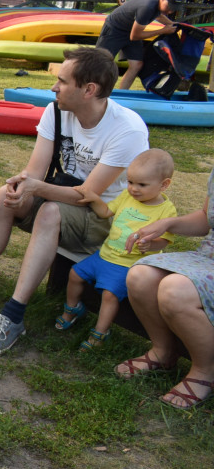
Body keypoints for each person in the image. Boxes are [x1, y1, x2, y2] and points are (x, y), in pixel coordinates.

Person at [0, 47, 149, 355]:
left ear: (89, 90)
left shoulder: (128, 129)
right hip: (62, 199)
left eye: (62, 81)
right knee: (6, 195)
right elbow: (35, 171)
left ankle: (13, 315)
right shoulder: (55, 111)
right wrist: (20, 185)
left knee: (50, 212)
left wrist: (34, 187)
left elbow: (86, 195)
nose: (54, 88)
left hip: (103, 218)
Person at [56, 149, 176, 351]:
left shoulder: (166, 210)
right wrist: (93, 198)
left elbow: (165, 241)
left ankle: (100, 333)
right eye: (130, 182)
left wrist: (151, 245)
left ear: (164, 185)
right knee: (75, 274)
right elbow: (105, 212)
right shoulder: (127, 197)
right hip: (104, 255)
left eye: (142, 185)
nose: (133, 189)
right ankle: (73, 308)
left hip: (127, 265)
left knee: (109, 296)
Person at [117, 167, 214, 408]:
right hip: (209, 256)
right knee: (141, 275)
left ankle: (206, 371)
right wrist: (166, 224)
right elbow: (206, 218)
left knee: (175, 289)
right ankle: (164, 351)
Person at [96, 0, 184, 90]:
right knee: (101, 63)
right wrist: (163, 31)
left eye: (174, 9)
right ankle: (91, 92)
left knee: (136, 65)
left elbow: (159, 15)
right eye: (169, 7)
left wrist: (172, 24)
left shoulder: (159, 2)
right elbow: (135, 36)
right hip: (114, 29)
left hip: (131, 29)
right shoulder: (147, 7)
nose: (170, 11)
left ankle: (122, 94)